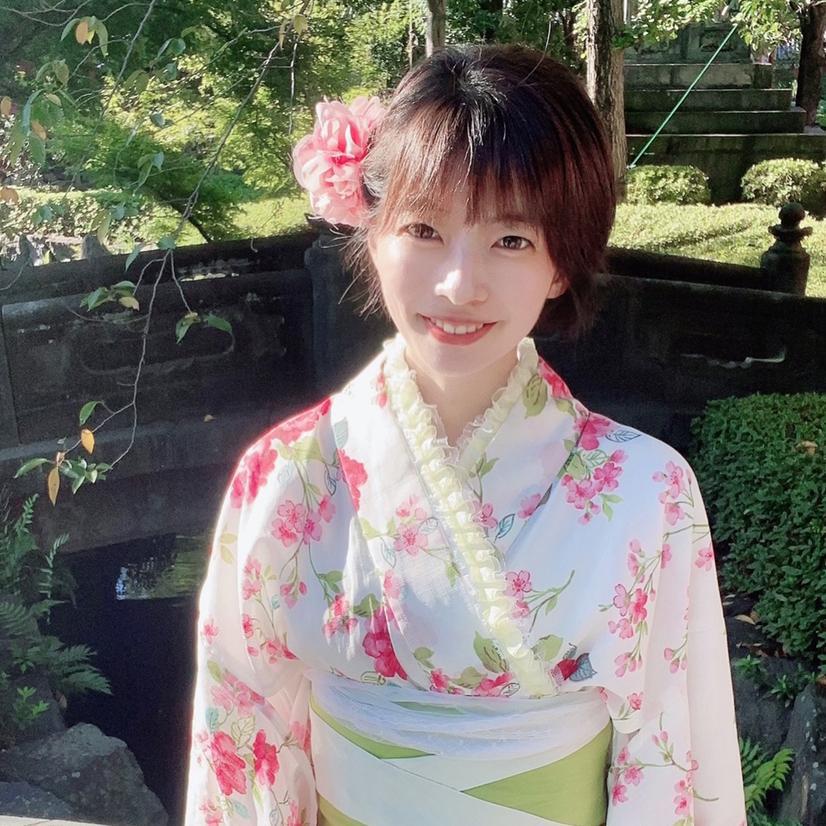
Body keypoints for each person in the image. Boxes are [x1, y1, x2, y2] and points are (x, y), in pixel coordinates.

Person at [183, 43, 746, 826]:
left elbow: (669, 758)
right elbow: (241, 744)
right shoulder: (285, 476)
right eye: (423, 228)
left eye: (511, 240)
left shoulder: (647, 491)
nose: (458, 285)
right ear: (371, 233)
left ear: (561, 264)